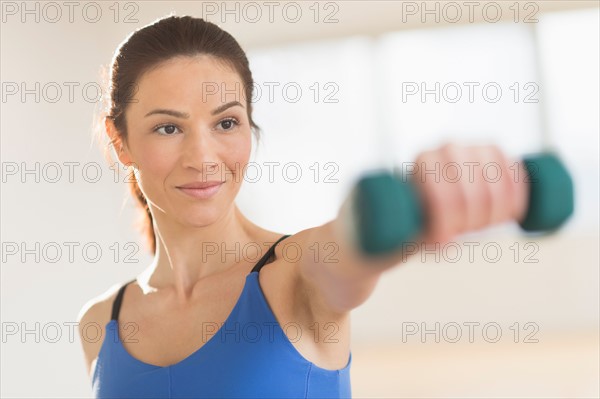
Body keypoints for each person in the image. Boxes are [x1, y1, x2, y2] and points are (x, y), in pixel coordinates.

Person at [77, 15, 528, 399]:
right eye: (168, 129)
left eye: (226, 122)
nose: (203, 157)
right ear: (121, 143)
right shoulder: (101, 322)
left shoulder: (292, 274)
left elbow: (343, 254)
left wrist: (416, 204)